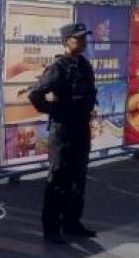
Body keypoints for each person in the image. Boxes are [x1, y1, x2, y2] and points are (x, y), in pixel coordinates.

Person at [26, 23, 98, 244]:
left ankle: (72, 223)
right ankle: (52, 229)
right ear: (66, 41)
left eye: (85, 38)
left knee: (78, 178)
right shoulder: (59, 67)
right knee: (58, 179)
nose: (83, 42)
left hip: (80, 129)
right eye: (78, 38)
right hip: (63, 131)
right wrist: (55, 111)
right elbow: (36, 94)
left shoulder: (84, 65)